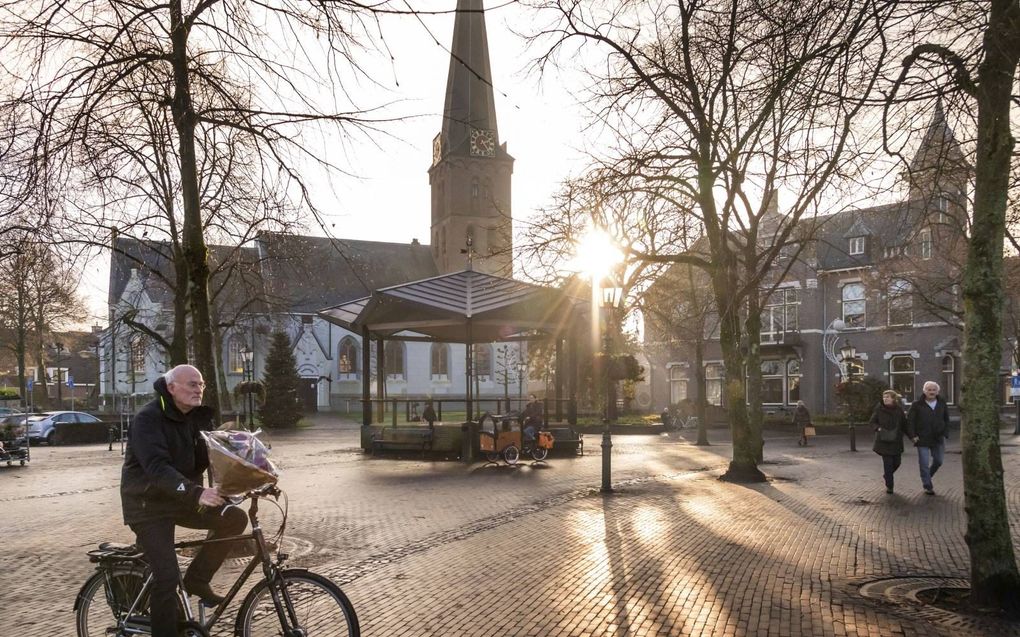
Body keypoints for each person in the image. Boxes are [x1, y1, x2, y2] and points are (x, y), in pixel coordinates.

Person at [120, 365, 248, 637]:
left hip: (182, 499)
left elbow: (213, 460)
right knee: (166, 577)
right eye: (192, 384)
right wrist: (196, 493)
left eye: (201, 384)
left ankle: (197, 580)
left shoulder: (197, 419)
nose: (199, 389)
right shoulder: (148, 419)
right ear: (171, 388)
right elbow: (156, 468)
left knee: (235, 518)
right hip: (148, 506)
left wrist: (245, 471)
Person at [905, 381, 951, 495]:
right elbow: (910, 422)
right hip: (922, 438)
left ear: (937, 391)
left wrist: (945, 432)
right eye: (929, 390)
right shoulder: (917, 404)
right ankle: (927, 486)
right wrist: (912, 436)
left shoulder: (942, 403)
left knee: (939, 461)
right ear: (924, 391)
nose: (931, 392)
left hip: (938, 437)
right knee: (924, 463)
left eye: (933, 390)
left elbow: (946, 419)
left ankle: (927, 476)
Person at [871, 390, 907, 494]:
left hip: (896, 441)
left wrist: (912, 436)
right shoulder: (879, 409)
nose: (885, 399)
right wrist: (878, 428)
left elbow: (904, 424)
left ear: (893, 399)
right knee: (888, 464)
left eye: (888, 397)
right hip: (883, 441)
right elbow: (872, 422)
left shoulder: (899, 410)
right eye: (884, 397)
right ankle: (890, 486)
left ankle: (887, 475)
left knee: (897, 463)